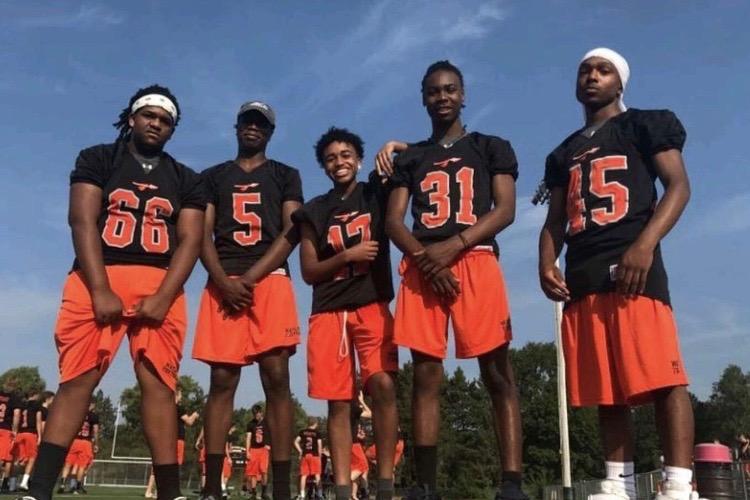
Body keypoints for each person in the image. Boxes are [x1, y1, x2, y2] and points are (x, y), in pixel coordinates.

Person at [19, 84, 205, 500]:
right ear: (132, 117)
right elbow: (81, 220)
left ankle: (170, 493)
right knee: (77, 380)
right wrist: (100, 287)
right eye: (149, 115)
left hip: (161, 281)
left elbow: (190, 240)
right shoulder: (98, 158)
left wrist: (163, 296)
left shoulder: (187, 179)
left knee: (159, 386)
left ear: (173, 129)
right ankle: (41, 488)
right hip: (96, 273)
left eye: (165, 120)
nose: (156, 123)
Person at [538, 48, 697, 500]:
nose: (592, 76)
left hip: (632, 262)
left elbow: (679, 187)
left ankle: (679, 484)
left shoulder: (643, 124)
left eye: (603, 70)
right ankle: (618, 481)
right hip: (582, 270)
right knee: (606, 385)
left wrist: (643, 245)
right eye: (585, 69)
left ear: (620, 82)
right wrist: (545, 261)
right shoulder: (564, 151)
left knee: (664, 377)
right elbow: (554, 220)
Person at [377, 60, 527, 500]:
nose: (442, 97)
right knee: (425, 374)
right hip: (424, 265)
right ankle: (426, 485)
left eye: (450, 90)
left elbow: (505, 210)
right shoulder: (413, 157)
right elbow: (393, 220)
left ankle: (511, 483)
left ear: (463, 95)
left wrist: (455, 246)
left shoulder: (491, 146)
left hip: (474, 258)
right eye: (433, 91)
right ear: (423, 98)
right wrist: (427, 260)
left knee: (497, 371)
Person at [193, 100, 302, 500]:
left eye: (260, 123)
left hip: (269, 280)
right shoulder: (213, 176)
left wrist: (252, 277)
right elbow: (200, 233)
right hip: (224, 279)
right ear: (236, 127)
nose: (253, 128)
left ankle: (282, 487)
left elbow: (291, 231)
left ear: (270, 132)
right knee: (222, 380)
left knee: (277, 379)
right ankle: (211, 485)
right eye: (246, 121)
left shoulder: (286, 175)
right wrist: (222, 279)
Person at [292, 127, 399, 500]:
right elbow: (308, 272)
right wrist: (346, 256)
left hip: (372, 303)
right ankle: (340, 489)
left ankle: (386, 483)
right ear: (324, 166)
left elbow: (420, 159)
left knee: (383, 384)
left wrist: (394, 144)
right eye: (331, 157)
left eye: (346, 154)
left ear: (360, 158)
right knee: (337, 401)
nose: (340, 162)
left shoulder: (375, 193)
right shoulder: (315, 210)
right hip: (329, 310)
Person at [145, 389, 199, 498]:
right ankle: (169, 490)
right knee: (174, 466)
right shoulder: (178, 408)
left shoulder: (163, 408)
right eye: (180, 396)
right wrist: (194, 415)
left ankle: (151, 490)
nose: (181, 398)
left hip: (164, 438)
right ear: (176, 396)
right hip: (177, 438)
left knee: (159, 465)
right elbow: (189, 422)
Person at [58, 401, 99, 495]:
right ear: (91, 405)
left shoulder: (76, 413)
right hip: (85, 442)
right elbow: (96, 431)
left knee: (68, 463)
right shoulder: (93, 416)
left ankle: (62, 484)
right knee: (82, 465)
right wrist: (96, 443)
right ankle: (78, 485)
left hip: (74, 441)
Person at [14, 391, 43, 491]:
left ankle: (12, 482)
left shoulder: (21, 404)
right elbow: (38, 421)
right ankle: (24, 482)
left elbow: (16, 417)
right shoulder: (36, 405)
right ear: (34, 395)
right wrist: (40, 435)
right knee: (32, 458)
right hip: (31, 433)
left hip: (20, 433)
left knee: (19, 460)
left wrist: (15, 432)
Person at [244, 405, 271, 500]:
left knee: (264, 471)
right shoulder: (251, 424)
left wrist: (269, 445)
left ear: (261, 412)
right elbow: (248, 438)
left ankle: (264, 492)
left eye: (257, 413)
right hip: (254, 449)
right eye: (254, 414)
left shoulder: (266, 422)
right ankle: (253, 492)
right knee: (253, 472)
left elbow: (271, 434)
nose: (256, 416)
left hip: (263, 449)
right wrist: (247, 451)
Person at [0, 381, 21, 493]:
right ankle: (4, 484)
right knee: (7, 458)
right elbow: (17, 415)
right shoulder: (14, 399)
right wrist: (15, 430)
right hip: (6, 430)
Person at [294, 418, 323, 499]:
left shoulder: (303, 432)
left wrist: (300, 451)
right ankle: (320, 494)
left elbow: (296, 441)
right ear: (315, 424)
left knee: (303, 475)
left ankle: (302, 495)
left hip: (305, 455)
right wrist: (320, 456)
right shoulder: (317, 433)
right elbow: (319, 445)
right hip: (314, 455)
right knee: (317, 475)